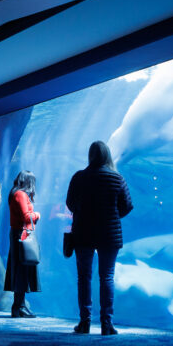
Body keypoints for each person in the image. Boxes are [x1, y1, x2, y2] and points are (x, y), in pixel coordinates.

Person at [66, 143, 132, 335]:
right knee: (107, 277)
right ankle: (106, 324)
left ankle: (84, 322)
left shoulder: (79, 177)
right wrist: (111, 215)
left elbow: (70, 203)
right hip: (109, 234)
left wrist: (84, 211)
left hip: (83, 233)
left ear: (90, 156)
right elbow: (127, 206)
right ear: (108, 156)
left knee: (84, 277)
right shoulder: (117, 178)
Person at [3, 171, 40, 318]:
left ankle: (19, 306)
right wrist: (37, 215)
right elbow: (26, 217)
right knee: (21, 271)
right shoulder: (21, 195)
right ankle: (19, 307)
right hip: (22, 236)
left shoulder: (16, 193)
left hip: (19, 235)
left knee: (21, 271)